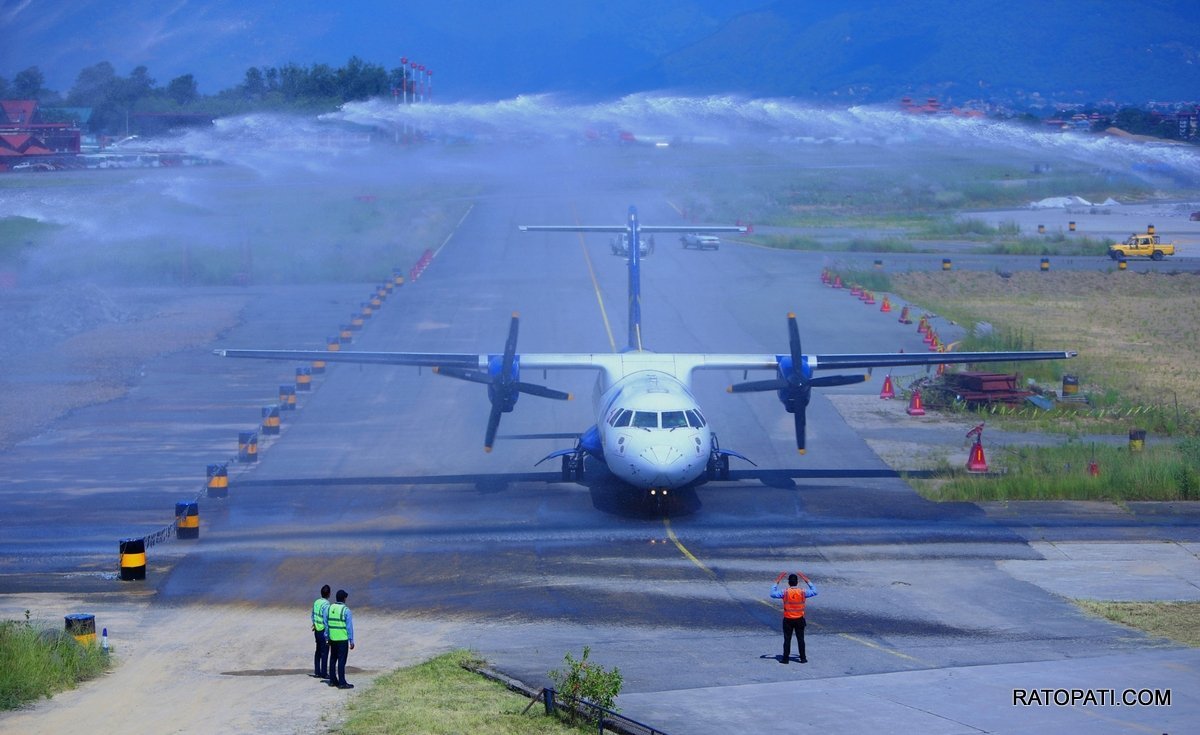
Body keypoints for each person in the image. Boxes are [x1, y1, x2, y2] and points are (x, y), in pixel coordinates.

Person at [770, 571, 818, 664]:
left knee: (787, 639)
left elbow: (772, 594)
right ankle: (803, 658)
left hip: (788, 619)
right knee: (801, 639)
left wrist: (777, 581)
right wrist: (807, 580)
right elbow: (815, 591)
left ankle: (785, 659)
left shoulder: (785, 592)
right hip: (799, 619)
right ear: (797, 582)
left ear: (788, 582)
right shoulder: (802, 592)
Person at [323, 589, 356, 689]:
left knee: (333, 659)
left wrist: (327, 636)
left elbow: (326, 623)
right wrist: (351, 640)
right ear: (344, 599)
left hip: (332, 639)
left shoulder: (329, 608)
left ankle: (333, 680)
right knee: (341, 661)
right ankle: (342, 682)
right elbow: (349, 627)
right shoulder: (346, 610)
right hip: (342, 639)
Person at [311, 584, 331, 681]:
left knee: (318, 650)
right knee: (325, 651)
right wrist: (328, 634)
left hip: (317, 629)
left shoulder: (316, 602)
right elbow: (326, 620)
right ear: (329, 594)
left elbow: (312, 615)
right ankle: (324, 672)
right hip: (323, 629)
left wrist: (314, 624)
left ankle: (317, 671)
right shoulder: (327, 605)